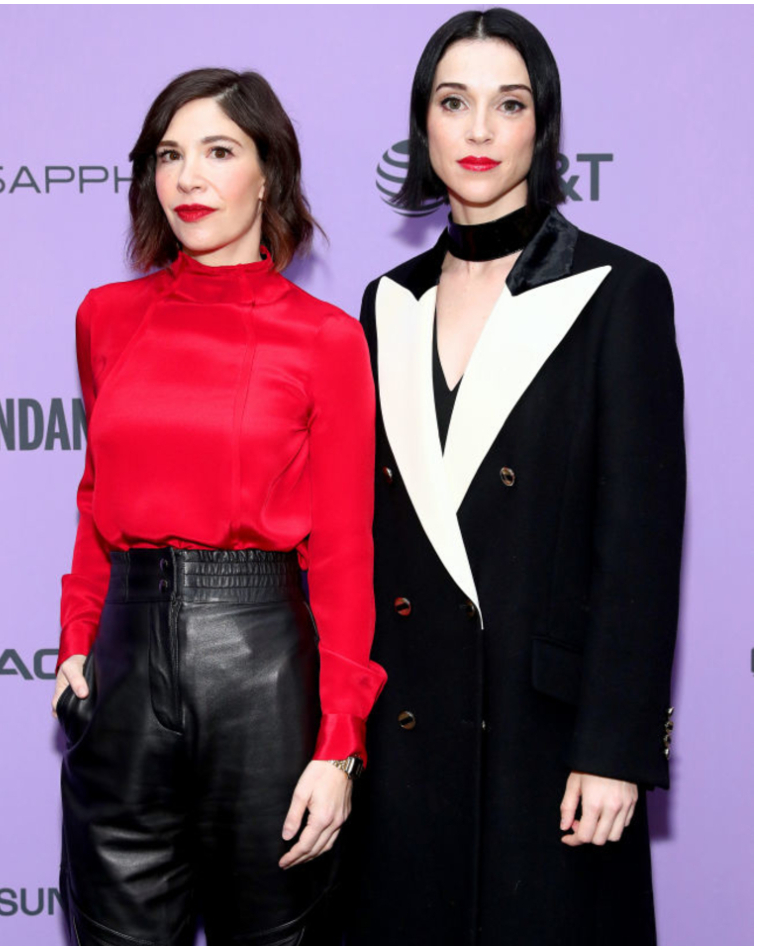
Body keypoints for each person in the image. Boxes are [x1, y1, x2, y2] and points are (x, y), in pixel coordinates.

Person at [345, 8, 685, 946]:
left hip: (549, 750)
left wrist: (616, 750)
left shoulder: (618, 291)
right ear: (424, 127)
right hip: (405, 750)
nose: (482, 130)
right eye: (456, 103)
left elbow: (642, 544)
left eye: (510, 103)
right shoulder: (385, 306)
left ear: (544, 126)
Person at [52, 67, 386, 947]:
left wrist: (339, 737)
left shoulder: (325, 338)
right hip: (122, 677)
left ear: (268, 172)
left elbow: (345, 545)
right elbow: (98, 493)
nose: (188, 179)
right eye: (169, 155)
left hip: (264, 679)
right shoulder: (105, 319)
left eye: (218, 151)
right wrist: (77, 641)